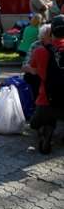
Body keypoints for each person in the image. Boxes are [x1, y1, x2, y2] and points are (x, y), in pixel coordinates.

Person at [29, 15, 64, 154]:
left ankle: (47, 131)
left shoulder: (40, 51)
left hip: (46, 102)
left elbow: (33, 70)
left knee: (34, 124)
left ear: (51, 32)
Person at [22, 24, 51, 100]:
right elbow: (24, 66)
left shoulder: (56, 44)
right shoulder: (36, 45)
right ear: (42, 36)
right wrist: (31, 69)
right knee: (30, 77)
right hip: (37, 77)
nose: (52, 37)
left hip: (51, 75)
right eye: (49, 34)